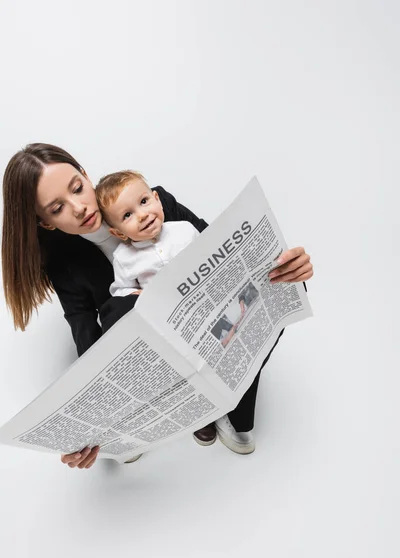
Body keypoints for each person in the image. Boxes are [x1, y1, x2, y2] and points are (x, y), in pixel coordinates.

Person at [1, 143, 314, 467]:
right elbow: (87, 337)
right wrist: (90, 430)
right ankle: (184, 409)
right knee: (120, 310)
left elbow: (222, 250)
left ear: (84, 173)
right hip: (154, 349)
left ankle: (228, 406)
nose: (78, 207)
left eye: (78, 188)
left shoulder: (152, 202)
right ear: (46, 224)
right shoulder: (65, 264)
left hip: (212, 327)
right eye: (57, 208)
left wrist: (287, 265)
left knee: (280, 283)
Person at [95, 170, 200, 297]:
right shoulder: (123, 258)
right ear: (119, 233)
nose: (142, 215)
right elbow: (119, 291)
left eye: (144, 201)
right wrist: (136, 294)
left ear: (157, 199)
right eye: (127, 215)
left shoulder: (185, 229)